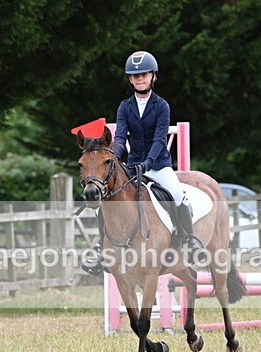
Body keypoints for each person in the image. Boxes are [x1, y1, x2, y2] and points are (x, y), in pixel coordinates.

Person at [82, 51, 205, 275]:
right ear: (130, 79)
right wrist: (114, 156)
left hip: (158, 165)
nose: (140, 78)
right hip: (132, 166)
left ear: (153, 76)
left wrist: (148, 162)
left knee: (177, 194)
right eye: (135, 75)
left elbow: (159, 139)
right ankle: (102, 247)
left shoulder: (161, 106)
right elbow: (120, 137)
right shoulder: (124, 107)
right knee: (106, 199)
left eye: (144, 74)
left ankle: (189, 240)